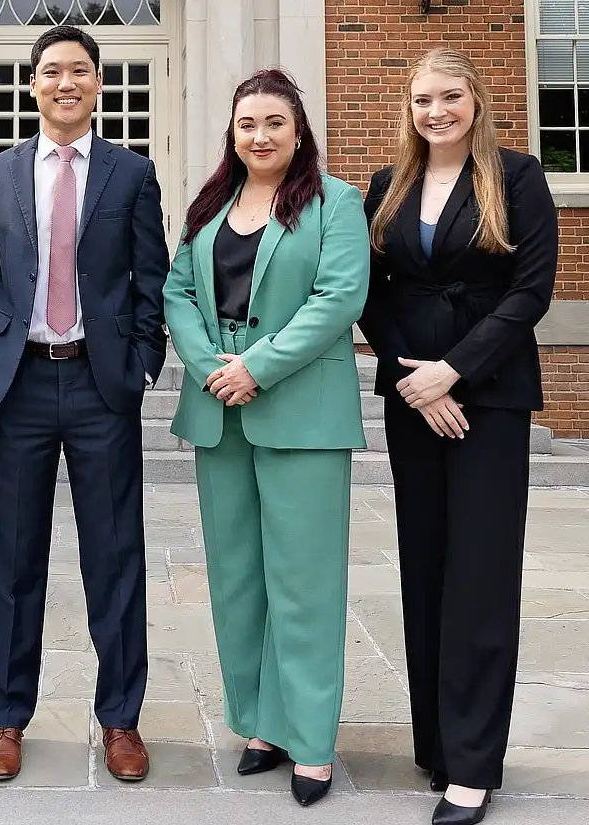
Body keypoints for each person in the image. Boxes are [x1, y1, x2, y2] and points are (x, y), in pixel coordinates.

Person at [0, 24, 168, 783]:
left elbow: (153, 278)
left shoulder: (131, 173)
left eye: (79, 70)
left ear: (98, 84)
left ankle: (121, 718)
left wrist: (142, 363)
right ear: (33, 85)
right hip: (18, 386)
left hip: (98, 385)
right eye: (51, 71)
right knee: (13, 559)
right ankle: (6, 718)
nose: (64, 82)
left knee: (115, 557)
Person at [357, 49, 559, 825]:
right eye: (421, 100)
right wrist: (414, 379)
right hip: (413, 398)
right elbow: (369, 292)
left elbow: (530, 292)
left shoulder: (517, 178)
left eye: (448, 96)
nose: (434, 111)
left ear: (475, 98)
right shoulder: (389, 186)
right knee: (428, 571)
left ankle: (473, 767)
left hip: (490, 399)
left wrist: (455, 372)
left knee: (480, 577)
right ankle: (437, 744)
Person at [162, 69, 368, 807]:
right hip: (222, 411)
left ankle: (311, 740)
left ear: (298, 130)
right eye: (248, 123)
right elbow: (177, 290)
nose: (260, 136)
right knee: (238, 579)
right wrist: (208, 365)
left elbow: (339, 296)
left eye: (274, 123)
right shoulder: (211, 204)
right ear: (233, 131)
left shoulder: (336, 203)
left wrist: (258, 366)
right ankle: (260, 723)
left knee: (305, 585)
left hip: (300, 413)